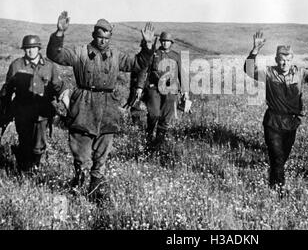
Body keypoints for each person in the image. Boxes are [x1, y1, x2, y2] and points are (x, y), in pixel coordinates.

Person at [46, 11, 153, 202]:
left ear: (110, 38)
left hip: (108, 108)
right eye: (99, 37)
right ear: (93, 36)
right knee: (81, 151)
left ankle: (96, 190)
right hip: (84, 106)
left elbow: (138, 64)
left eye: (106, 37)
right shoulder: (80, 52)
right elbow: (55, 54)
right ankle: (78, 185)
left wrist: (147, 46)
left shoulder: (116, 56)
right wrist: (59, 33)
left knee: (103, 151)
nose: (102, 41)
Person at [244, 31, 308, 190]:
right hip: (273, 123)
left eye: (288, 60)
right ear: (276, 60)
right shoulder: (268, 73)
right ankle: (279, 190)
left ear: (292, 60)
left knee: (281, 160)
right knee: (277, 158)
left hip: (291, 123)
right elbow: (249, 70)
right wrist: (255, 50)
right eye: (281, 60)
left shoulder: (300, 72)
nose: (284, 64)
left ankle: (272, 185)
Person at [0, 35, 65, 174]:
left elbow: (59, 87)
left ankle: (34, 166)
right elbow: (7, 89)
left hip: (42, 113)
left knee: (38, 146)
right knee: (24, 142)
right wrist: (4, 110)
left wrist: (65, 102)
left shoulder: (49, 66)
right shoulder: (16, 65)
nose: (30, 51)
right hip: (22, 112)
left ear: (38, 48)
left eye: (33, 48)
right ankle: (25, 170)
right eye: (27, 48)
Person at [143, 31, 188, 152]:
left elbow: (181, 74)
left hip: (170, 90)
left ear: (171, 43)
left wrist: (185, 91)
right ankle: (148, 137)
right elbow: (146, 70)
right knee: (154, 114)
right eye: (163, 41)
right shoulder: (154, 54)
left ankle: (158, 145)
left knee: (166, 118)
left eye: (167, 41)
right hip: (154, 89)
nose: (165, 43)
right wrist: (141, 87)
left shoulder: (176, 56)